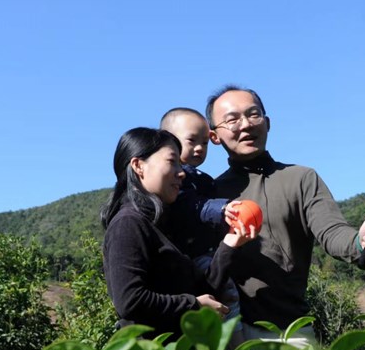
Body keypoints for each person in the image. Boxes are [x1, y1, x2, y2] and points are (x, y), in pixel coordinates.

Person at [206, 85, 365, 347]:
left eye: (253, 114)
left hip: (290, 333)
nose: (246, 124)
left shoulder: (301, 178)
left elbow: (332, 231)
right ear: (214, 136)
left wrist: (361, 241)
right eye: (232, 119)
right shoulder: (208, 194)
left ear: (268, 123)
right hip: (227, 333)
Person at [101, 127, 256, 336]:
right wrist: (192, 305)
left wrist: (229, 245)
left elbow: (203, 292)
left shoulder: (161, 226)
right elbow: (130, 300)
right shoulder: (128, 224)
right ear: (138, 166)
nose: (181, 172)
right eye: (171, 161)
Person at [159, 108, 244, 343]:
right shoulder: (179, 181)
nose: (199, 148)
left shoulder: (202, 179)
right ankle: (237, 348)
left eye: (205, 142)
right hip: (190, 253)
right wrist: (223, 209)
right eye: (192, 141)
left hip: (204, 250)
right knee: (227, 294)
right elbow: (193, 205)